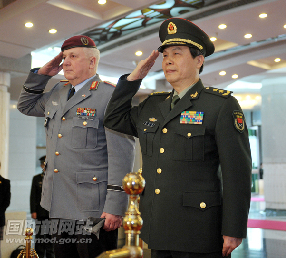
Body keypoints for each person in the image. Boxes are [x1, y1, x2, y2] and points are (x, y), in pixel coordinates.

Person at [104, 18, 252, 258]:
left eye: (177, 53)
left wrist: (233, 228)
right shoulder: (152, 105)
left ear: (199, 60)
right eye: (164, 55)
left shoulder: (220, 105)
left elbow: (237, 172)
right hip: (157, 227)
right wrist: (133, 80)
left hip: (200, 230)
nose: (168, 60)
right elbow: (113, 119)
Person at [17, 35, 135, 258]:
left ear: (92, 62)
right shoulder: (58, 92)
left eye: (73, 56)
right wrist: (42, 75)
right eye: (64, 57)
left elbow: (122, 155)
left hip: (94, 208)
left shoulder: (109, 96)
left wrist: (115, 206)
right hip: (58, 203)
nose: (66, 62)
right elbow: (25, 105)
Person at [30, 155, 54, 258]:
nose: (44, 166)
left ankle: (50, 256)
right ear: (41, 166)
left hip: (51, 212)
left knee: (50, 237)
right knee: (40, 237)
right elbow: (33, 196)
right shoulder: (36, 179)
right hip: (40, 212)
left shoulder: (54, 178)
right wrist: (33, 211)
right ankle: (38, 255)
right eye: (43, 164)